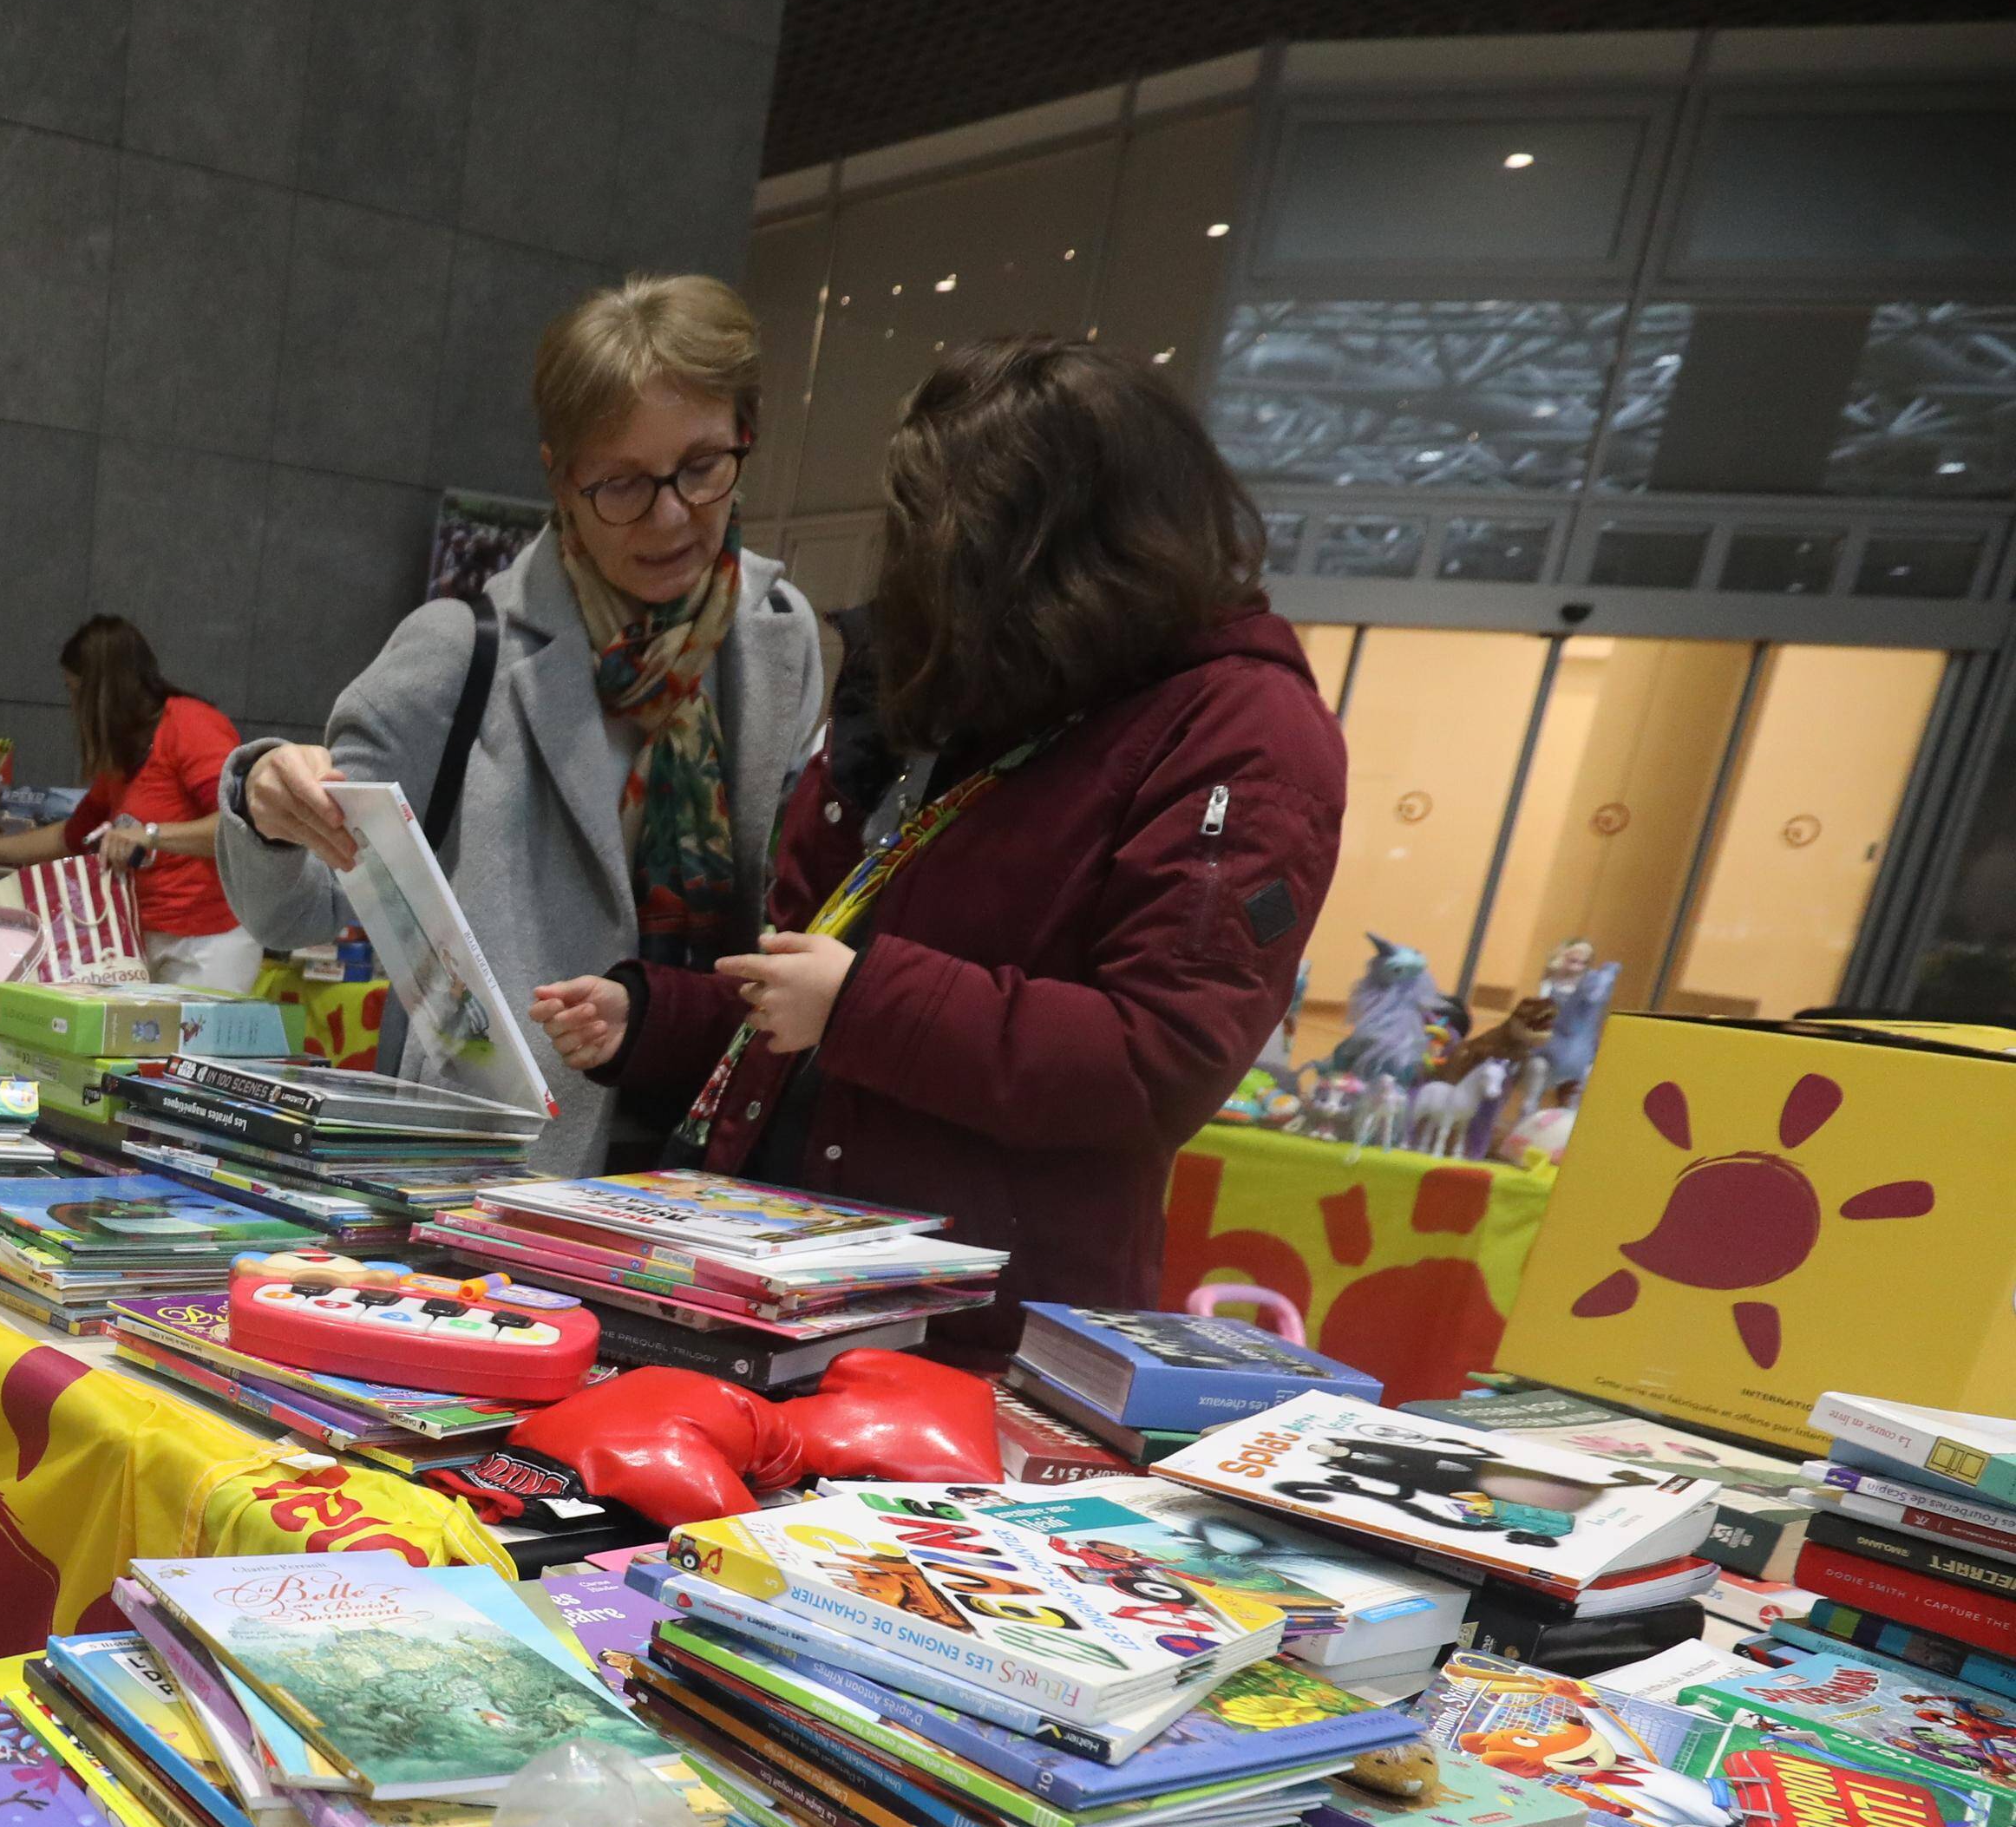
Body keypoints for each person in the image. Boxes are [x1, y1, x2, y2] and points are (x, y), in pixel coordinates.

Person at [553, 337, 1340, 1353]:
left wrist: (857, 1003)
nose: (921, 569)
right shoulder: (968, 686)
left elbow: (1157, 1061)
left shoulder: (1239, 729)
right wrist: (656, 1017)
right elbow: (808, 980)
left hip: (972, 1325)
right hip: (784, 1270)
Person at [217, 276, 827, 1170]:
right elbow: (299, 907)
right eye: (622, 483)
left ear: (746, 437)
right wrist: (266, 802)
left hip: (714, 1160)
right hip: (505, 1162)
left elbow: (793, 901)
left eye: (701, 468)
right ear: (561, 478)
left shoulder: (777, 636)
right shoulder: (462, 650)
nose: (669, 516)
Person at [0, 617, 255, 992]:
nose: (73, 708)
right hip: (142, 934)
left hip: (210, 941)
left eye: (74, 692)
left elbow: (236, 825)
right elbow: (70, 838)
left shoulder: (191, 726)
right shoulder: (126, 754)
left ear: (99, 692)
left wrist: (150, 835)